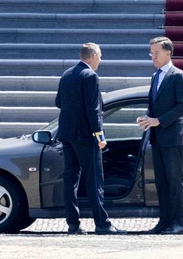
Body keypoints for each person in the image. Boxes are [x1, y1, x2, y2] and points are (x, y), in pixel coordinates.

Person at [55, 43, 125, 235]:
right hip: (86, 136)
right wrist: (100, 135)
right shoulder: (90, 76)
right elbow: (93, 110)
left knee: (71, 180)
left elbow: (58, 102)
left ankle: (73, 224)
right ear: (93, 56)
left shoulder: (67, 74)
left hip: (67, 135)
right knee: (94, 180)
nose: (100, 60)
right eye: (100, 56)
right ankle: (102, 224)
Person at [135, 36, 183, 234]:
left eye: (156, 53)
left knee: (175, 181)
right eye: (151, 53)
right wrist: (147, 118)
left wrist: (159, 120)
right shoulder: (155, 76)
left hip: (173, 136)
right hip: (157, 136)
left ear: (168, 53)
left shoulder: (178, 75)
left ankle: (179, 223)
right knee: (161, 181)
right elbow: (154, 105)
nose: (153, 57)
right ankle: (164, 221)